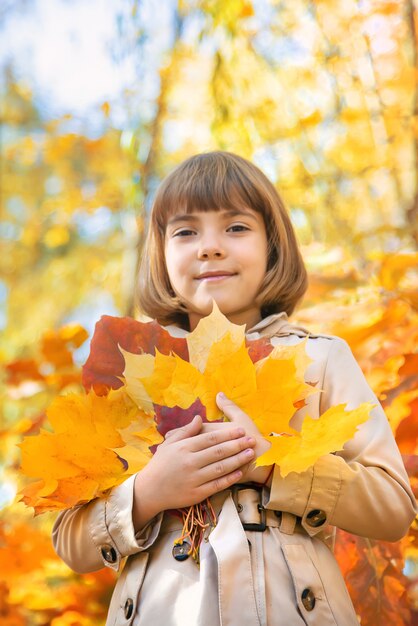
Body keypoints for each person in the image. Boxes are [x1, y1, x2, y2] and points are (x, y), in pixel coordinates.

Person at [52, 151, 417, 626]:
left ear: (273, 247)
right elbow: (71, 542)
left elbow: (392, 508)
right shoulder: (131, 369)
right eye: (186, 232)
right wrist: (148, 492)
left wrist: (275, 467)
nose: (210, 247)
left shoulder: (321, 358)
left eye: (236, 227)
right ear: (161, 255)